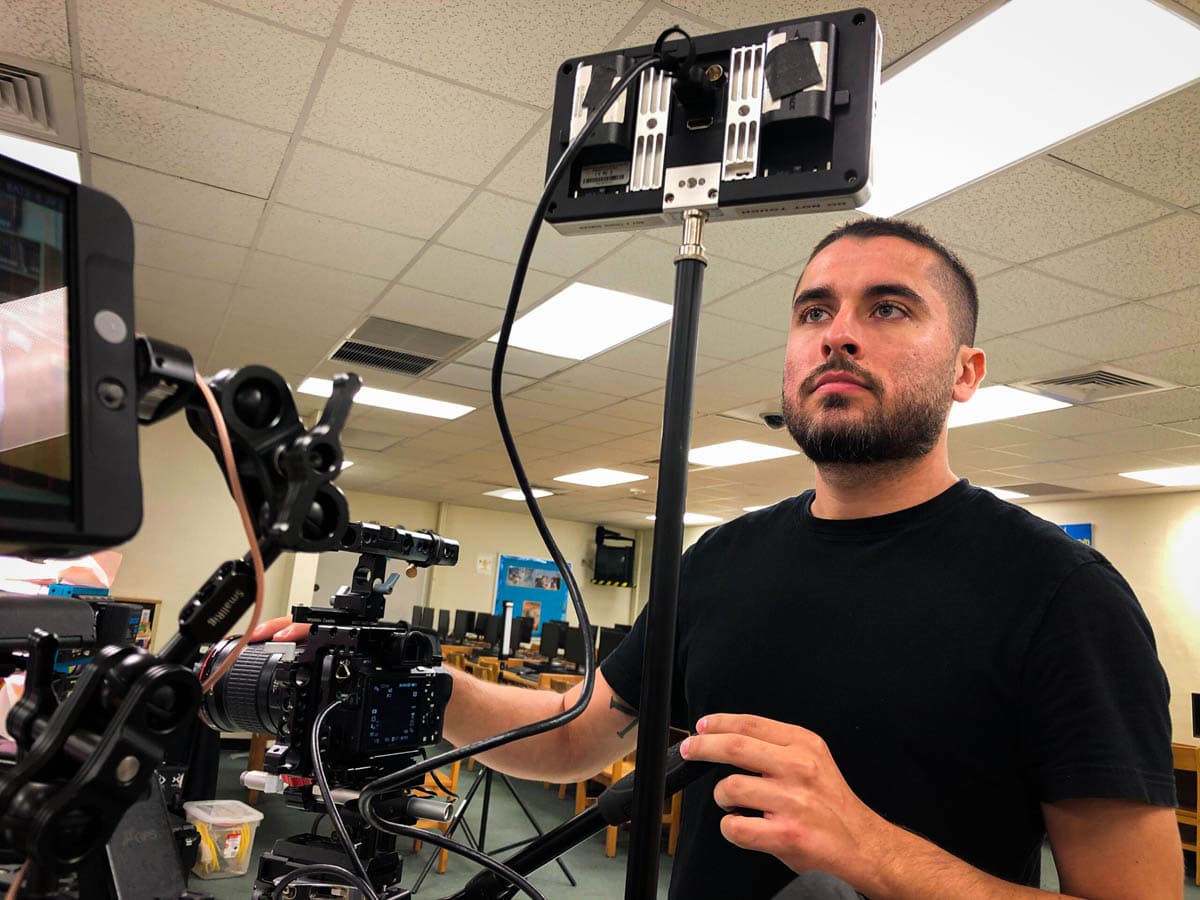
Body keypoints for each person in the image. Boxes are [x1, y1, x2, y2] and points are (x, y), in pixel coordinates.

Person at [253, 218, 1180, 899]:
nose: (838, 331)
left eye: (889, 308)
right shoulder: (723, 559)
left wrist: (869, 848)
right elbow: (579, 737)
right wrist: (408, 681)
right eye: (813, 310)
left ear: (966, 372)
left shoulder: (1060, 594)